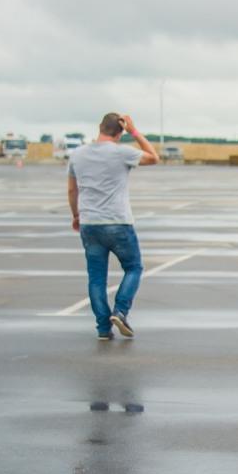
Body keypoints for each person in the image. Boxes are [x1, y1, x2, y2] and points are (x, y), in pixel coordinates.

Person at [68, 113, 159, 340]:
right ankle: (120, 311)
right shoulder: (121, 152)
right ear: (120, 132)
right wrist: (135, 131)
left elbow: (72, 189)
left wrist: (76, 215)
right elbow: (154, 157)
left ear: (100, 127)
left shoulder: (77, 154)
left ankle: (102, 327)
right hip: (118, 222)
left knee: (96, 278)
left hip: (90, 223)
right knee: (134, 267)